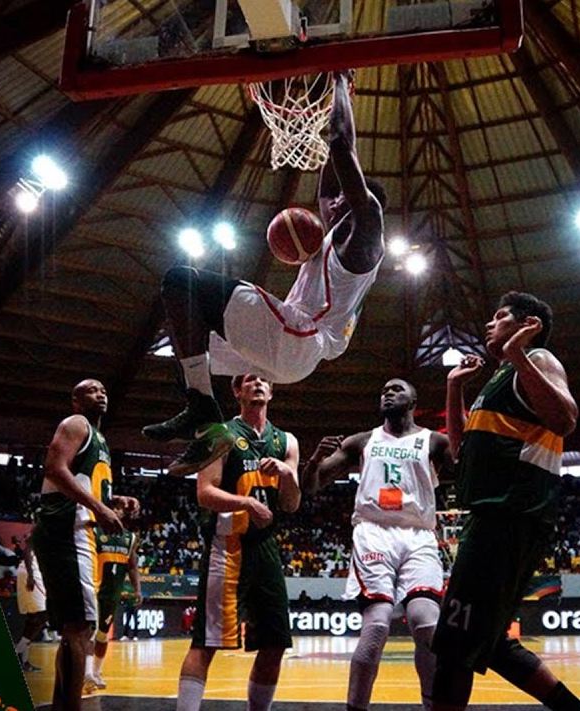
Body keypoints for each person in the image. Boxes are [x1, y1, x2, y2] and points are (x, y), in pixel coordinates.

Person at [142, 69, 386, 476]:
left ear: (367, 202)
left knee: (182, 280)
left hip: (299, 337)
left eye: (348, 193)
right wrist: (323, 102)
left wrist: (342, 83)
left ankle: (203, 411)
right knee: (186, 334)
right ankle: (204, 418)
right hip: (286, 352)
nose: (333, 201)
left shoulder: (366, 237)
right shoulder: (337, 229)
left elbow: (341, 147)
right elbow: (329, 185)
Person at [431, 292, 580, 711]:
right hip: (494, 515)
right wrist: (454, 389)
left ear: (526, 325)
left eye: (499, 317)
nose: (489, 324)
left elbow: (566, 419)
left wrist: (519, 352)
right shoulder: (500, 379)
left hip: (510, 514)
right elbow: (459, 452)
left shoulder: (538, 360)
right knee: (490, 640)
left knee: (453, 643)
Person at [304, 378, 453, 711]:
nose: (387, 392)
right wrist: (314, 461)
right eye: (384, 389)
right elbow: (311, 487)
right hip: (374, 531)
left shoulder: (434, 441)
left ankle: (434, 705)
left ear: (414, 400)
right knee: (378, 625)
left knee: (427, 622)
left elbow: (470, 472)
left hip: (419, 534)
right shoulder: (362, 441)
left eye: (397, 389)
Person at [176, 373, 301, 711]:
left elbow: (291, 504)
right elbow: (205, 492)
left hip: (266, 548)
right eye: (248, 380)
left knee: (275, 643)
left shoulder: (287, 441)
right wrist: (245, 502)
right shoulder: (220, 434)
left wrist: (288, 475)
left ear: (272, 392)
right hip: (226, 545)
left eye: (263, 380)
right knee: (207, 642)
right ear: (236, 391)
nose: (257, 383)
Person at [31, 378, 139, 711]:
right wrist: (100, 507)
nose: (101, 394)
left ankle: (64, 704)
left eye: (104, 390)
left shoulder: (100, 439)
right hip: (67, 527)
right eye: (92, 391)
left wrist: (113, 498)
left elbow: (84, 480)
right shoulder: (76, 423)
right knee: (81, 629)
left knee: (75, 629)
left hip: (75, 529)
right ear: (76, 401)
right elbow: (54, 468)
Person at [83, 509, 142, 693]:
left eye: (120, 508)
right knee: (89, 633)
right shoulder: (95, 532)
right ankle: (86, 674)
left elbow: (132, 566)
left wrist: (138, 589)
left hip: (112, 594)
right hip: (93, 589)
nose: (117, 510)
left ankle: (96, 672)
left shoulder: (130, 538)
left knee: (102, 635)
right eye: (114, 506)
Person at [14, 532, 49, 672]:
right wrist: (31, 574)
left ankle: (24, 660)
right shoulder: (41, 528)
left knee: (33, 618)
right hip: (31, 571)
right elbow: (28, 548)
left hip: (35, 571)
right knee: (42, 614)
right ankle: (18, 652)